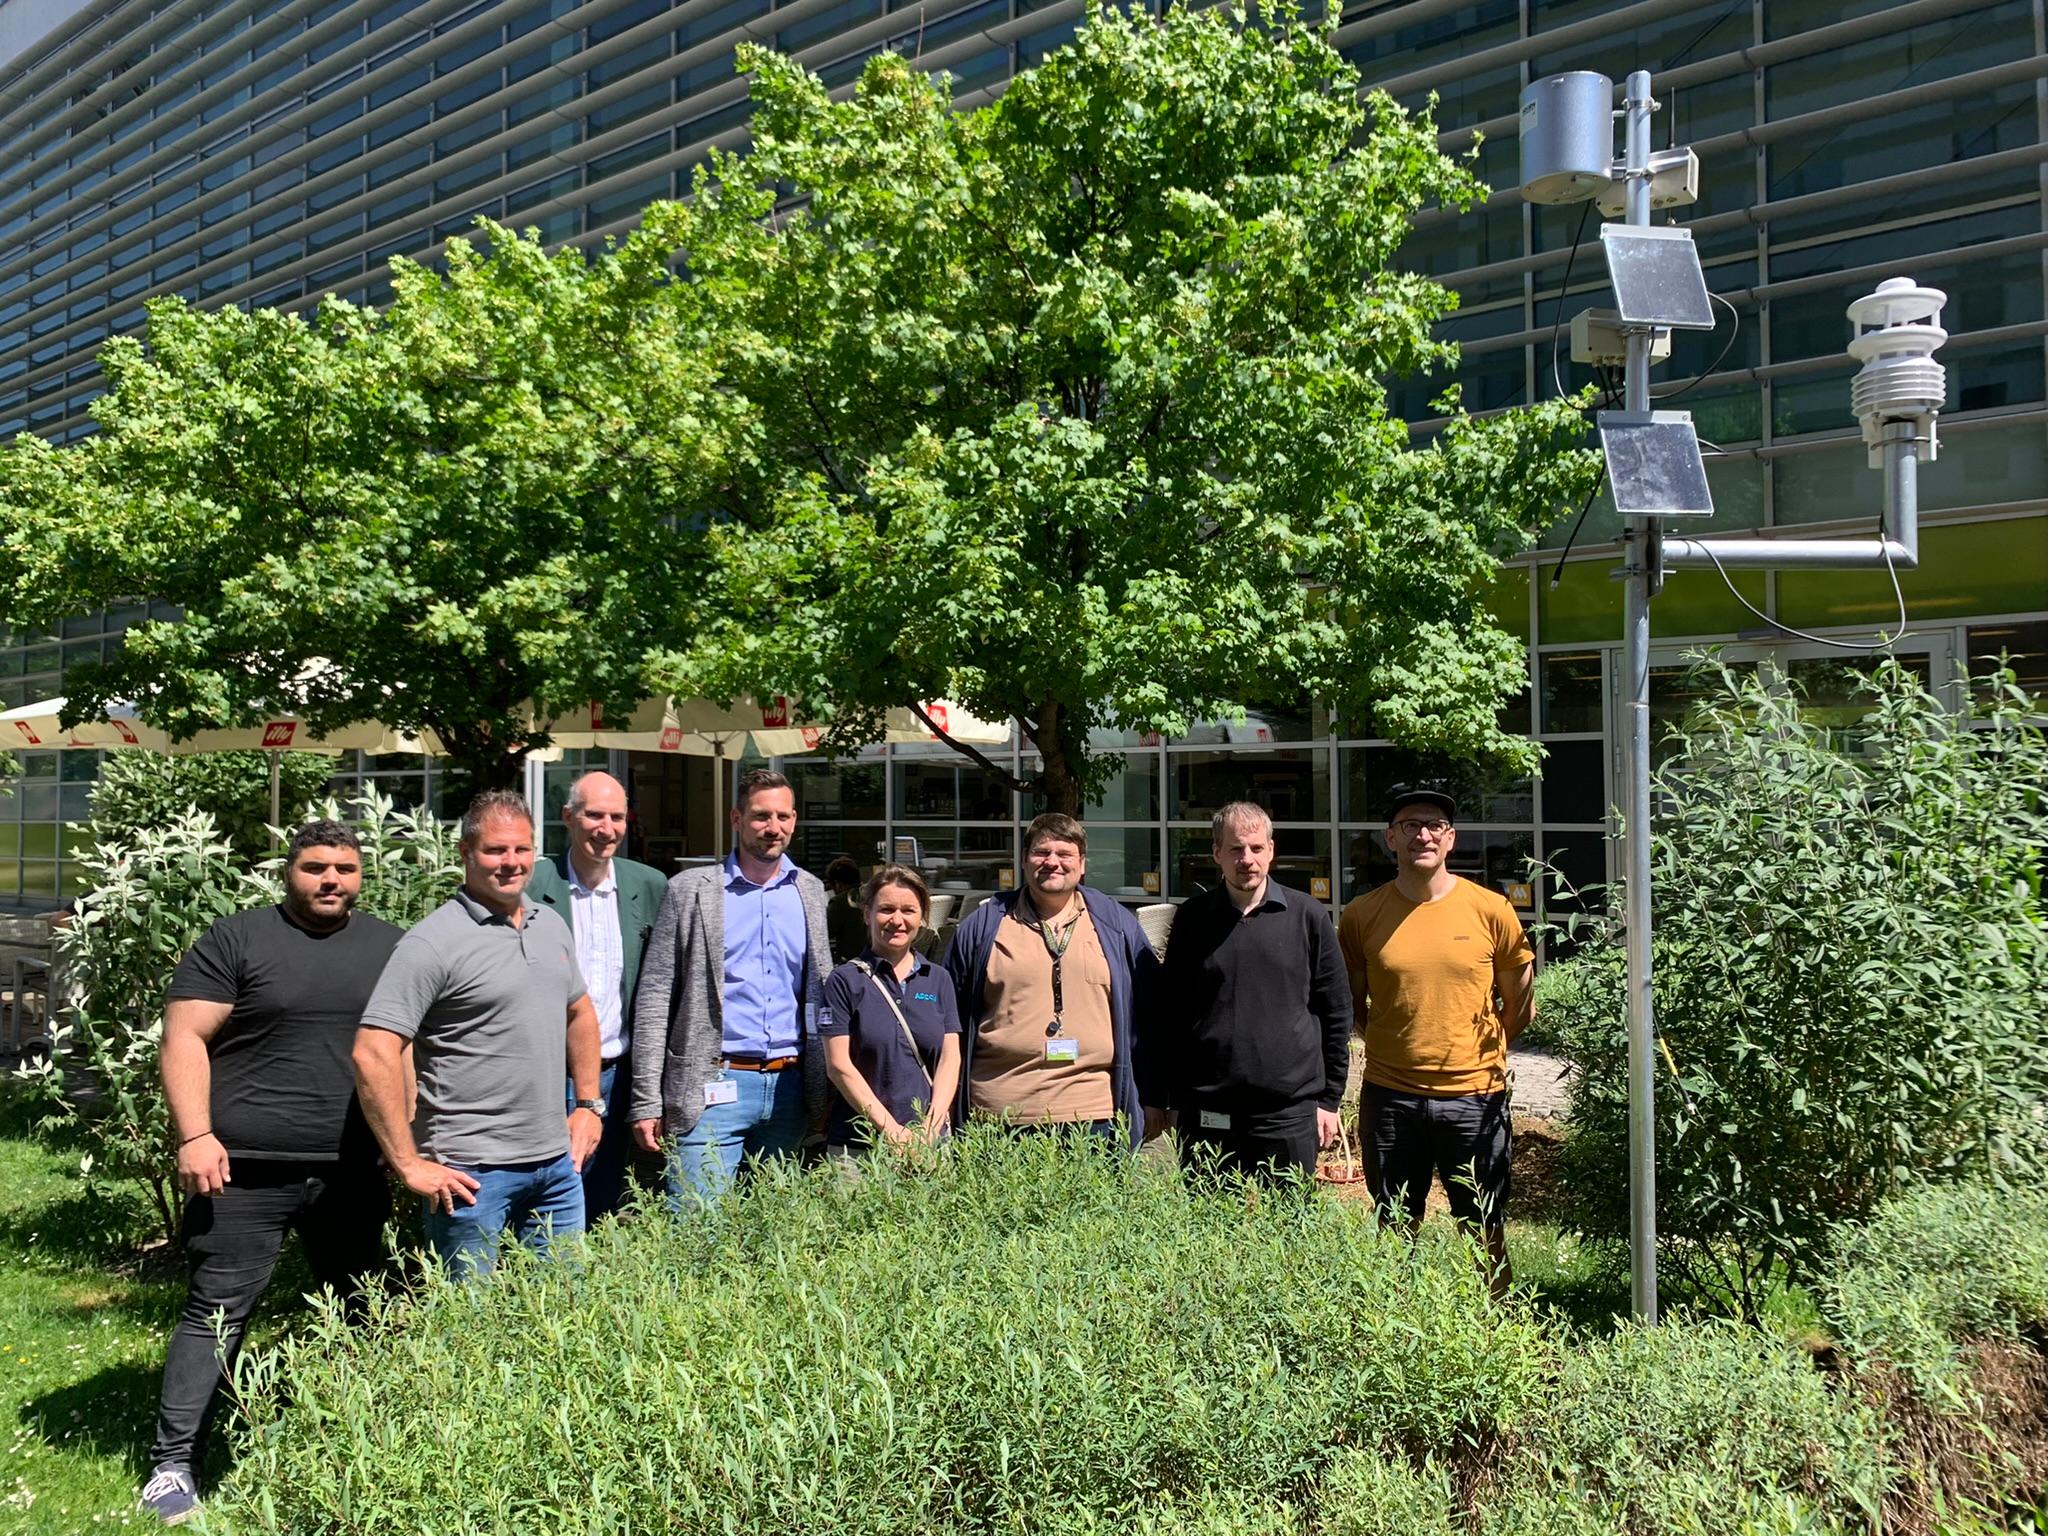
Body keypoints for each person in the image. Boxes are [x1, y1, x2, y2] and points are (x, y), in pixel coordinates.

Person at [140, 822, 404, 1527]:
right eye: (316, 867)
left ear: (360, 875)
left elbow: (408, 1048)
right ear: (288, 872)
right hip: (242, 1172)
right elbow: (185, 1038)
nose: (331, 880)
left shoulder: (389, 947)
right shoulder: (237, 940)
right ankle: (173, 1465)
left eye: (345, 868)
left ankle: (365, 1441)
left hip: (351, 1171)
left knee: (364, 1311)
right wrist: (194, 1135)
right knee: (216, 1314)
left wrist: (404, 1141)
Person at [353, 791, 602, 1276]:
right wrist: (406, 1162)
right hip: (470, 1173)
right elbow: (373, 1051)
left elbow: (580, 1013)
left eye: (522, 849)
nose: (512, 863)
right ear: (466, 853)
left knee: (568, 1313)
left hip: (557, 1165)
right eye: (495, 850)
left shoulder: (549, 923)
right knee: (470, 1322)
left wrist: (589, 1106)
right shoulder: (431, 942)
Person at [1337, 783, 1535, 1293]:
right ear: (1390, 840)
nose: (1422, 834)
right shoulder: (1362, 915)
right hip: (1390, 1097)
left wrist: (1478, 1052)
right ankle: (1397, 1326)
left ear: (1451, 840)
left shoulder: (1492, 910)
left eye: (1434, 826)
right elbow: (1353, 1006)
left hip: (1474, 1098)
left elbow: (1520, 1005)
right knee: (1394, 1226)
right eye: (1409, 826)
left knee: (1484, 1228)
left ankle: (1498, 1330)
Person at [631, 769, 833, 1204]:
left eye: (782, 816)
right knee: (697, 1228)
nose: (772, 828)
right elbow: (654, 996)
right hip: (712, 1085)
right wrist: (646, 1098)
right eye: (761, 816)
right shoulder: (690, 891)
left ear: (795, 820)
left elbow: (819, 992)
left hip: (790, 1087)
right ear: (737, 818)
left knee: (774, 1231)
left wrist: (825, 1086)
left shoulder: (811, 892)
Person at [1149, 801, 1350, 1182]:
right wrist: (1170, 1097)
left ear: (1271, 851)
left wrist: (1329, 1099)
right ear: (1217, 854)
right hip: (1208, 1108)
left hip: (1287, 1111)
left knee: (1289, 1228)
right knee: (1208, 1229)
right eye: (1236, 849)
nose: (1247, 859)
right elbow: (1171, 1013)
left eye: (1257, 848)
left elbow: (1336, 1011)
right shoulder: (1193, 918)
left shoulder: (1308, 915)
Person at [942, 813, 1161, 1146]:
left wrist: (1155, 1096)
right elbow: (949, 1020)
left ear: (1082, 864)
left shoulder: (1115, 923)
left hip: (1095, 1118)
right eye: (1042, 852)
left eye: (1064, 854)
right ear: (1025, 860)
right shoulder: (984, 926)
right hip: (997, 1119)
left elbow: (1150, 1014)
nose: (1052, 862)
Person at [524, 771, 667, 1220]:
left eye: (617, 817)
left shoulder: (649, 886)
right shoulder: (534, 883)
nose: (606, 829)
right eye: (594, 816)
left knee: (603, 1196)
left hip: (619, 1073)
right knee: (544, 1193)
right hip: (548, 1074)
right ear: (568, 817)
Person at [820, 864, 961, 1157]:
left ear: (922, 917)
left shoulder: (938, 979)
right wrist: (893, 1132)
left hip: (930, 1144)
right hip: (859, 1148)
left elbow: (950, 1059)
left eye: (908, 910)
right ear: (867, 914)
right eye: (886, 910)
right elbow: (838, 1066)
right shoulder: (844, 981)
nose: (897, 920)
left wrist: (930, 1129)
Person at [823, 855, 866, 965]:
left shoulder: (840, 902)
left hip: (852, 963)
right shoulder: (872, 895)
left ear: (838, 884)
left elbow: (824, 932)